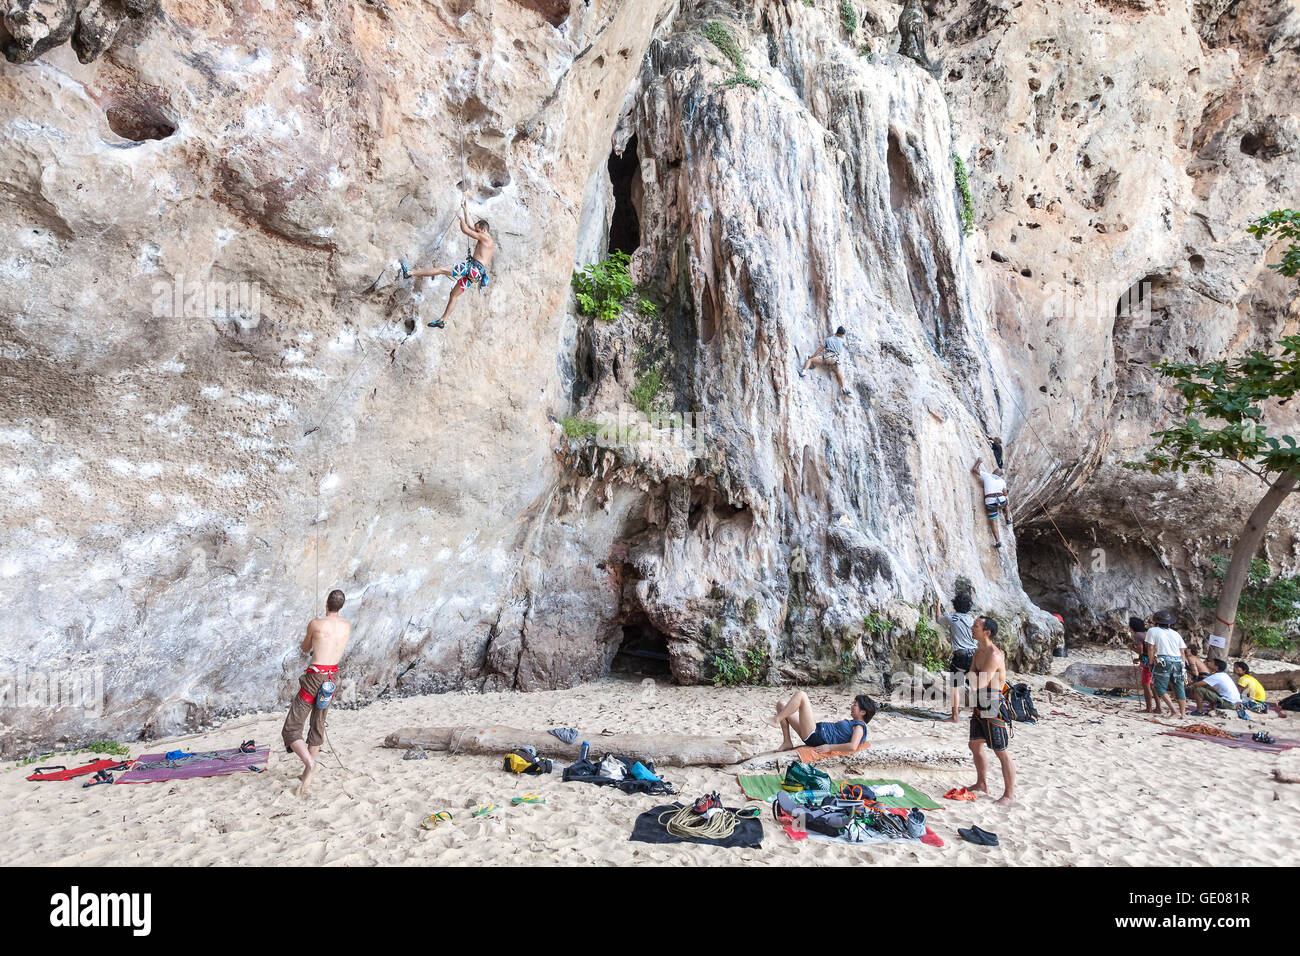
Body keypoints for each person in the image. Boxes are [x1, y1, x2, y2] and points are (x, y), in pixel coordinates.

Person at [282, 589, 352, 796]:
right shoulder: (347, 625)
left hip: (314, 677)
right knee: (318, 723)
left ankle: (311, 764)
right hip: (332, 677)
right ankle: (306, 776)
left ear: (326, 604)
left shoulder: (316, 624)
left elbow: (305, 648)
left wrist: (312, 631)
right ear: (341, 606)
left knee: (291, 728)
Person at [401, 201, 495, 328]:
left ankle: (410, 273)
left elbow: (466, 230)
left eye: (478, 230)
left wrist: (460, 218)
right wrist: (465, 210)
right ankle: (443, 320)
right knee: (454, 295)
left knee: (441, 269)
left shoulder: (485, 238)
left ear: (484, 230)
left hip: (472, 269)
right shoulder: (487, 238)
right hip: (476, 274)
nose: (476, 231)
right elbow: (472, 226)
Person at [963, 616, 1016, 806]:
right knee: (974, 745)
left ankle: (1009, 795)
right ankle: (982, 783)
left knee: (1000, 751)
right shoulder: (978, 652)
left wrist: (974, 677)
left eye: (976, 626)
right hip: (980, 702)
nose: (972, 628)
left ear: (987, 632)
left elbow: (979, 681)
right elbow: (971, 676)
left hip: (993, 704)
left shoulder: (994, 655)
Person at [766, 691, 876, 753]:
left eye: (855, 705)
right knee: (781, 705)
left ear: (863, 712)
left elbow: (852, 746)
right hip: (814, 732)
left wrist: (829, 747)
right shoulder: (853, 723)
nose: (852, 706)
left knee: (801, 695)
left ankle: (776, 719)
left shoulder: (859, 727)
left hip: (817, 736)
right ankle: (787, 742)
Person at [937, 591, 977, 723]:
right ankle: (978, 715)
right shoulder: (972, 620)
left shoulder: (951, 618)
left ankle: (954, 717)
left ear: (955, 605)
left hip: (960, 657)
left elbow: (938, 619)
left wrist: (937, 605)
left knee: (955, 686)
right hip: (973, 656)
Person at [1145, 610, 1190, 718]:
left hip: (1164, 661)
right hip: (1178, 661)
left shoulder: (1152, 630)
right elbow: (1182, 651)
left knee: (1159, 687)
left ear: (1156, 621)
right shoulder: (1175, 633)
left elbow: (1150, 647)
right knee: (1179, 686)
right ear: (1169, 623)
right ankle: (1183, 714)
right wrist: (1183, 665)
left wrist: (1150, 663)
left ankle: (1174, 711)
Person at [799, 326, 853, 396]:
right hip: (834, 360)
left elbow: (820, 349)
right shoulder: (842, 341)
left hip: (826, 358)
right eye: (843, 335)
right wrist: (848, 344)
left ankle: (803, 372)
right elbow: (847, 346)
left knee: (810, 360)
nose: (844, 336)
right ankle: (843, 388)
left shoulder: (828, 339)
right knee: (839, 374)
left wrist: (814, 355)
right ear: (841, 334)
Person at [972, 457, 1010, 548]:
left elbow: (974, 470)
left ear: (993, 472)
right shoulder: (1002, 481)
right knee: (1006, 503)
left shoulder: (987, 475)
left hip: (990, 502)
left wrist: (979, 462)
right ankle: (1008, 518)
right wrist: (1005, 491)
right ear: (1000, 475)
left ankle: (998, 542)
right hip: (1000, 500)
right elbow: (1005, 493)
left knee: (993, 522)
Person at [1129, 615, 1160, 714]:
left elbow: (1141, 650)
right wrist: (1139, 658)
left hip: (1146, 662)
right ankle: (1158, 707)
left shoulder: (1137, 635)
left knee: (1146, 684)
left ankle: (1149, 708)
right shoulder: (1147, 633)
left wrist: (1132, 648)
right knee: (1153, 685)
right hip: (1154, 659)